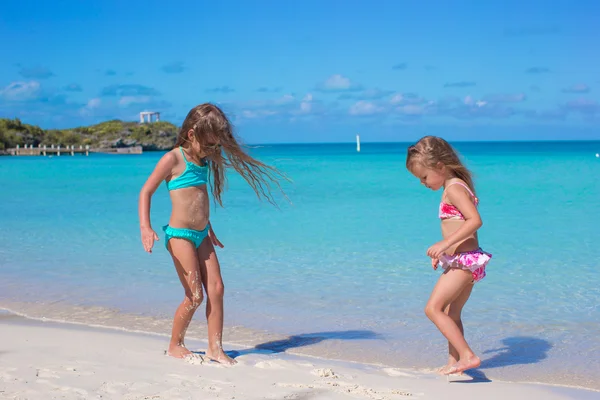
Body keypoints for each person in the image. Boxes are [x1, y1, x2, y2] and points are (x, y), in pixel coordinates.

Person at [138, 103, 287, 364]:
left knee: (217, 289)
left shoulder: (203, 161)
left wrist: (209, 227)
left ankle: (215, 348)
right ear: (192, 134)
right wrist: (146, 228)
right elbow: (146, 191)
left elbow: (198, 201)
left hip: (202, 234)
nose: (212, 150)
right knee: (195, 295)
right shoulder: (173, 159)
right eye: (208, 144)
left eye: (215, 145)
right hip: (180, 235)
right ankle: (175, 344)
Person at [405, 136, 492, 375]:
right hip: (466, 260)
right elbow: (459, 227)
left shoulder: (454, 188)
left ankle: (468, 355)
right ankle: (454, 363)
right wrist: (445, 253)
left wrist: (445, 243)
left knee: (433, 309)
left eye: (424, 177)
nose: (422, 183)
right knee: (452, 314)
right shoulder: (455, 185)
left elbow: (475, 221)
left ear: (440, 166)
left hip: (464, 264)